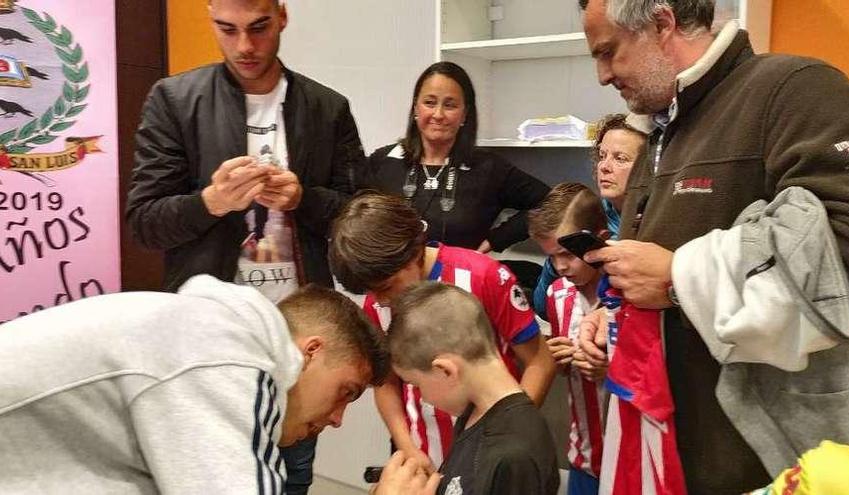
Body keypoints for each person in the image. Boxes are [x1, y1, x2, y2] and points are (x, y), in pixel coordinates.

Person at [577, 0, 849, 492]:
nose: (602, 75)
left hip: (762, 465)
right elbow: (652, 263)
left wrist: (681, 277)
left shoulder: (793, 89)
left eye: (609, 52)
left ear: (661, 22)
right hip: (671, 450)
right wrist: (612, 312)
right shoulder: (663, 128)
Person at [126, 0, 366, 490]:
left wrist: (304, 199)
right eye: (226, 29)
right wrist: (209, 202)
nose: (245, 46)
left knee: (293, 471)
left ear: (282, 15)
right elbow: (144, 223)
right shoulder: (175, 99)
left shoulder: (327, 107)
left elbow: (359, 218)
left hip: (301, 338)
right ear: (211, 17)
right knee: (207, 474)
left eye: (259, 28)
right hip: (208, 335)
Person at [0, 275, 388, 494]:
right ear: (311, 352)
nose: (338, 419)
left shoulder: (208, 338)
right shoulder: (225, 350)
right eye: (346, 392)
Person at [328, 191, 556, 471]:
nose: (381, 300)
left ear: (413, 252)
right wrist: (408, 448)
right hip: (428, 459)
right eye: (371, 291)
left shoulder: (483, 276)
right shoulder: (377, 303)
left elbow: (539, 361)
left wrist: (509, 432)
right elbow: (385, 383)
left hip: (491, 456)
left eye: (387, 286)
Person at [385, 282, 560, 495]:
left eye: (418, 385)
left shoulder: (513, 457)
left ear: (445, 371)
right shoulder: (475, 412)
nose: (424, 399)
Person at [358, 61, 549, 254]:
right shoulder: (383, 161)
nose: (438, 114)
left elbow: (550, 202)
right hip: (393, 281)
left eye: (450, 105)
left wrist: (496, 240)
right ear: (416, 108)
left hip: (457, 282)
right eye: (429, 103)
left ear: (465, 114)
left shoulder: (488, 168)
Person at [528, 183, 609, 495]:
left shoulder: (628, 294)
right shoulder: (556, 295)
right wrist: (558, 360)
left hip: (629, 455)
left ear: (599, 239)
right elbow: (564, 368)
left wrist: (609, 370)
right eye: (552, 257)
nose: (561, 266)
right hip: (584, 455)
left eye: (567, 254)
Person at [532, 114, 647, 319]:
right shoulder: (582, 214)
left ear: (650, 167)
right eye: (602, 156)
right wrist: (564, 249)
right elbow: (543, 306)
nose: (604, 166)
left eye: (620, 158)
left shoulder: (662, 219)